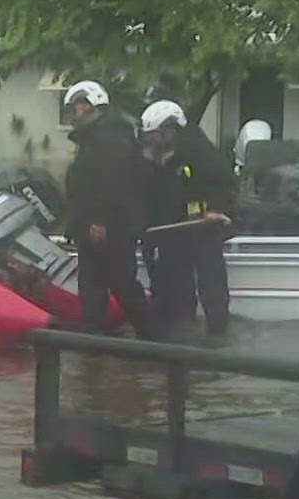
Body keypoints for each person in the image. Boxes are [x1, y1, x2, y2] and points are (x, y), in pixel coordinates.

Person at [62, 80, 155, 339]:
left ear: (91, 105)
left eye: (78, 106)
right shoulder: (99, 135)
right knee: (96, 284)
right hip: (98, 225)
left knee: (119, 282)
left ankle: (152, 337)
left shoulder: (109, 135)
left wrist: (99, 221)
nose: (74, 113)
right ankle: (96, 336)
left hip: (109, 226)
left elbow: (109, 181)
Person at [138, 100, 235, 341]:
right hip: (173, 227)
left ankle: (217, 330)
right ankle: (179, 327)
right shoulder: (159, 156)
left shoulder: (200, 152)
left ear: (171, 130)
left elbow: (226, 183)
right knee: (173, 280)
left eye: (156, 135)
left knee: (211, 279)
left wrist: (216, 209)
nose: (152, 142)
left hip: (203, 224)